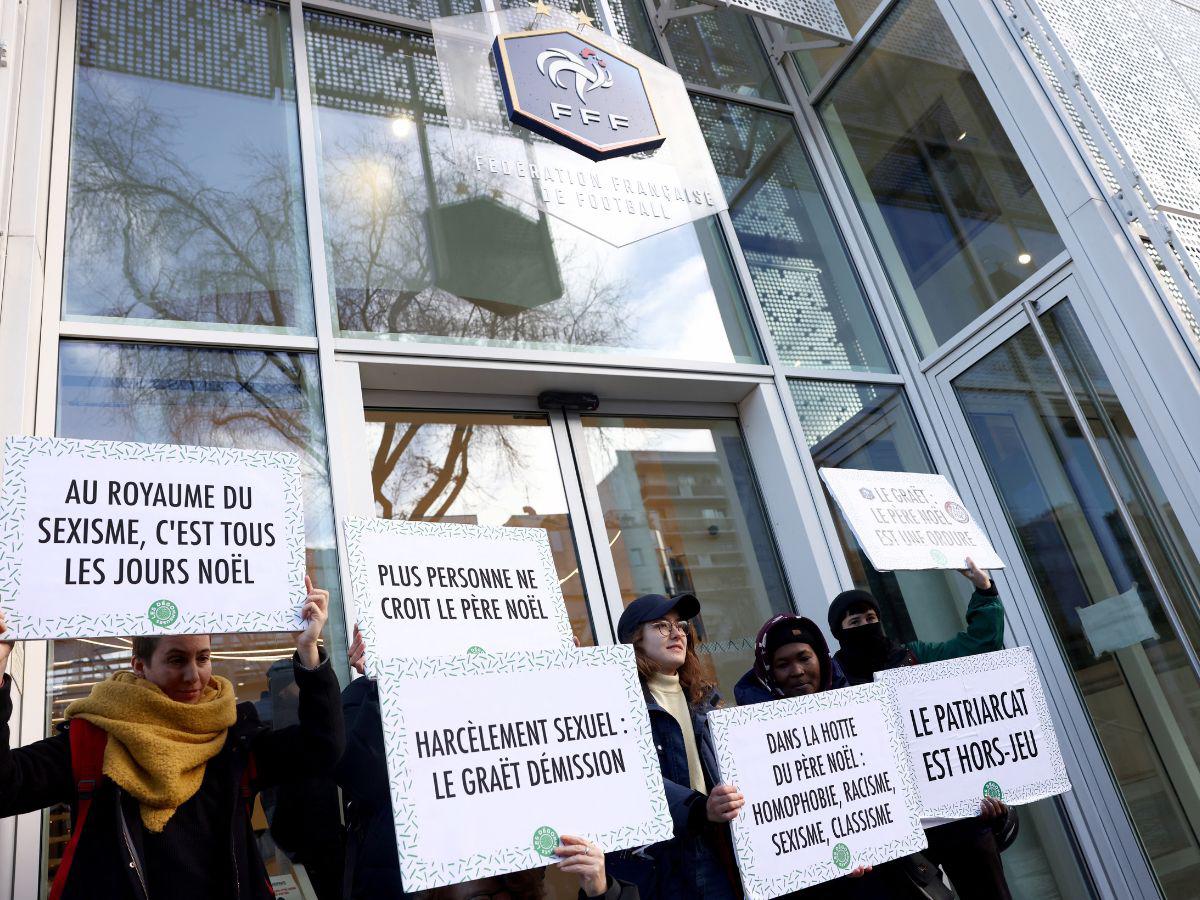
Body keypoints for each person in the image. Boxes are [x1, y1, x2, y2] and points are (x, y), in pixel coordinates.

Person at [0, 576, 344, 900]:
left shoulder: (234, 736)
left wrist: (309, 651)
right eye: (177, 659)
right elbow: (6, 788)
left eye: (203, 658)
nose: (194, 675)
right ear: (139, 665)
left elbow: (322, 748)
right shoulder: (95, 738)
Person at [338, 625, 640, 900]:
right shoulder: (370, 694)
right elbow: (360, 778)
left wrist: (561, 680)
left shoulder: (508, 700)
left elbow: (567, 759)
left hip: (512, 882)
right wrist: (384, 688)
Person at [828, 558, 1018, 900]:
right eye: (855, 621)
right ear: (839, 633)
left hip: (954, 814)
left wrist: (984, 590)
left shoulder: (913, 658)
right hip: (895, 829)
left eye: (871, 619)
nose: (866, 625)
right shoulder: (832, 685)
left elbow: (977, 648)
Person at [734, 615, 947, 900]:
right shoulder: (747, 739)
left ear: (821, 658)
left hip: (887, 873)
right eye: (783, 664)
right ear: (768, 672)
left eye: (804, 658)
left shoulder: (865, 711)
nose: (796, 671)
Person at [610, 592, 744, 900]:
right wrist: (697, 808)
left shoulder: (706, 699)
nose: (677, 633)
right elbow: (629, 774)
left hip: (714, 846)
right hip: (657, 858)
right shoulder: (619, 702)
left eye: (680, 625)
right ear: (636, 640)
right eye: (661, 626)